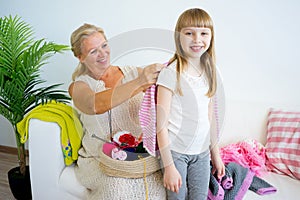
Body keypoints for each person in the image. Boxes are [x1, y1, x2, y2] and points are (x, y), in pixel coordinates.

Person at [68, 23, 166, 199]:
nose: (103, 54)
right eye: (93, 51)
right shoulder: (78, 87)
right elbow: (94, 105)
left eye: (104, 45)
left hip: (140, 156)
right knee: (116, 189)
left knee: (158, 187)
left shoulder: (133, 72)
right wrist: (139, 83)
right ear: (80, 57)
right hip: (99, 159)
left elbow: (161, 99)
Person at [156, 8, 225, 199]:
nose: (197, 39)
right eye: (189, 33)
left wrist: (215, 154)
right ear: (179, 37)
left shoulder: (211, 71)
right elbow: (160, 125)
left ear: (211, 37)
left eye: (203, 33)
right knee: (177, 196)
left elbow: (209, 117)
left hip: (202, 153)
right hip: (175, 152)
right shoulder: (171, 73)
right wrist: (168, 166)